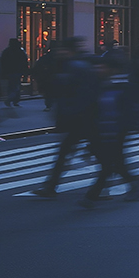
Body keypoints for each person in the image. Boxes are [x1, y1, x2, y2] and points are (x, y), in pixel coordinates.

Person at [80, 49, 139, 207]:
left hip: (118, 130)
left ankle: (92, 196)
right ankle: (135, 184)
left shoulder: (124, 86)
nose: (99, 69)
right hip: (102, 129)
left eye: (103, 67)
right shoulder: (100, 85)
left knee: (110, 164)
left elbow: (134, 108)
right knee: (114, 163)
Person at [32, 38, 98, 198]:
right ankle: (51, 186)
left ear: (69, 50)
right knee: (68, 153)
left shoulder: (74, 67)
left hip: (79, 118)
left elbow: (75, 94)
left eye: (62, 49)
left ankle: (51, 186)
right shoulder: (77, 65)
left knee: (67, 153)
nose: (59, 52)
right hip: (84, 118)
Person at [0, 38, 27, 108]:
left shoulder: (7, 51)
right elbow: (24, 61)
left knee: (11, 86)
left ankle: (11, 98)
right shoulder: (20, 51)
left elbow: (3, 62)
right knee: (16, 86)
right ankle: (13, 100)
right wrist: (25, 70)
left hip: (9, 71)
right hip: (18, 71)